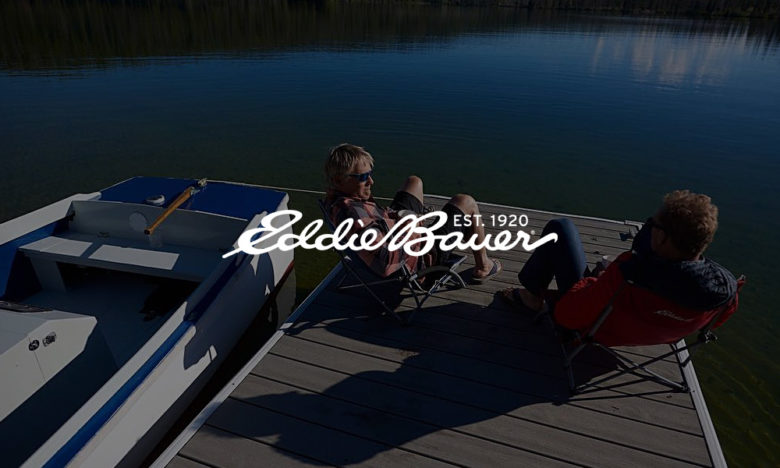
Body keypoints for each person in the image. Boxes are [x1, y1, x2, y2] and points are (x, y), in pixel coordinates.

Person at [501, 190, 741, 346]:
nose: (649, 229)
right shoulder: (724, 290)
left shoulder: (630, 273)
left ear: (662, 237)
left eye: (652, 224)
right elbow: (711, 323)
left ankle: (532, 297)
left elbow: (567, 315)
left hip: (596, 328)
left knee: (561, 228)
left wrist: (598, 281)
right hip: (653, 332)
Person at [324, 143, 501, 281]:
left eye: (369, 174)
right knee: (465, 202)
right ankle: (483, 267)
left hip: (394, 230)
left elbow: (376, 223)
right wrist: (412, 224)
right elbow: (387, 263)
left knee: (414, 182)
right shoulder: (355, 216)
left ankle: (464, 229)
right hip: (420, 256)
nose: (371, 181)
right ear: (339, 180)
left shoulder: (338, 202)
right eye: (363, 177)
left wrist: (395, 216)